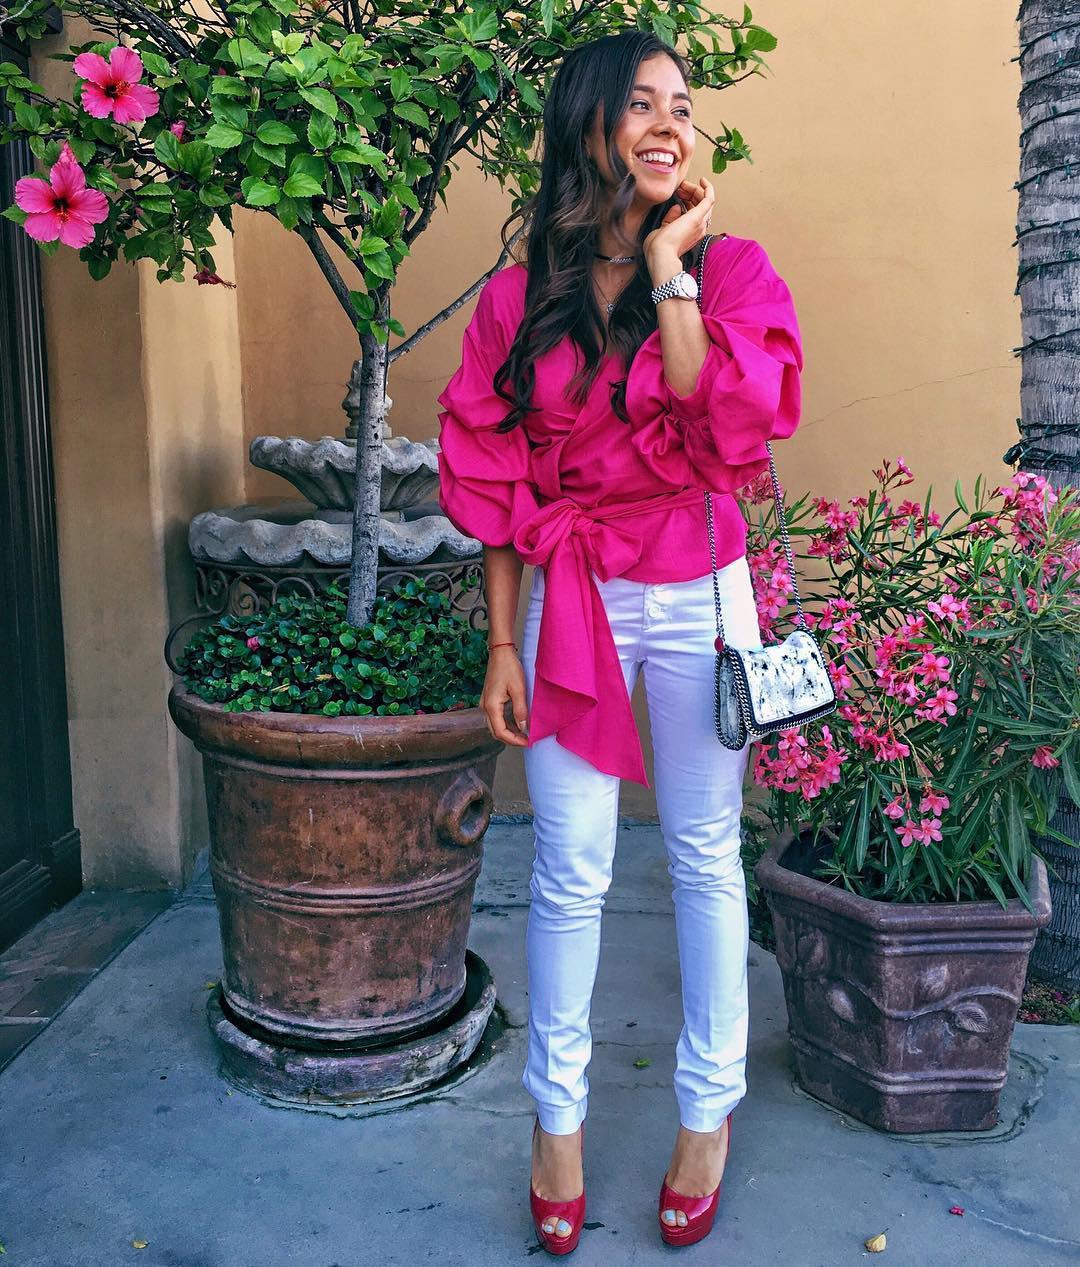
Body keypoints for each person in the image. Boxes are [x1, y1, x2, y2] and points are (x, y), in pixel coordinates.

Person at [436, 30, 803, 1254]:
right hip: (575, 591)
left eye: (682, 107)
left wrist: (668, 262)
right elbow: (496, 478)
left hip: (700, 584)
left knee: (702, 854)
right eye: (641, 103)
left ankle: (707, 1113)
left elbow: (715, 410)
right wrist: (502, 641)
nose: (666, 124)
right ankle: (556, 1124)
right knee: (570, 866)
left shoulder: (731, 269)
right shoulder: (519, 296)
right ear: (588, 124)